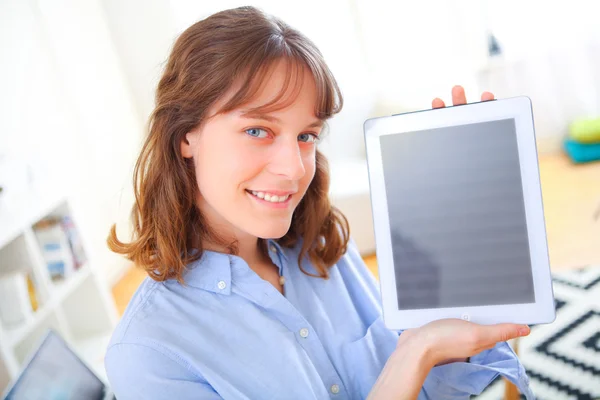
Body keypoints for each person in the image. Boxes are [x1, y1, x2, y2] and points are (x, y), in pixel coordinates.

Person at [105, 6, 535, 400]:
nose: (294, 169)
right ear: (185, 135)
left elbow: (434, 388)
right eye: (258, 130)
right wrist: (413, 355)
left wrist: (465, 252)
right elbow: (411, 359)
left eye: (306, 135)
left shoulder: (321, 246)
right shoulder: (150, 355)